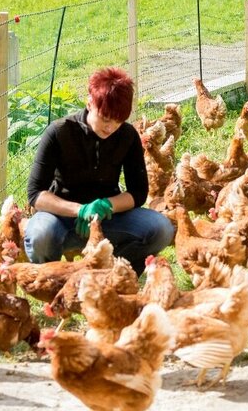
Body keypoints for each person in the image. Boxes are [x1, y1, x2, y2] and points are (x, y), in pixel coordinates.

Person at [23, 66, 174, 275]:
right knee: (41, 235)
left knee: (161, 229)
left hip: (108, 217)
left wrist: (105, 206)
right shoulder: (59, 132)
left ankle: (114, 273)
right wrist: (80, 210)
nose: (111, 127)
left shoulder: (128, 136)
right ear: (89, 103)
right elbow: (35, 194)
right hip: (61, 217)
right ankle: (56, 284)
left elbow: (139, 192)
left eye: (118, 121)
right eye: (105, 118)